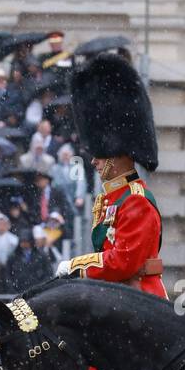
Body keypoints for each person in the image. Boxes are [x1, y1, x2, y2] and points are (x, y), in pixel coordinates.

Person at [55, 54, 166, 297]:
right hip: (116, 294)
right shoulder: (112, 198)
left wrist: (75, 266)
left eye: (100, 155)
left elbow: (124, 262)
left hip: (140, 297)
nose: (94, 161)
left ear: (117, 155)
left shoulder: (135, 200)